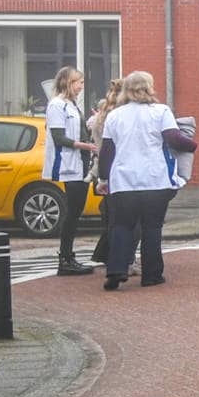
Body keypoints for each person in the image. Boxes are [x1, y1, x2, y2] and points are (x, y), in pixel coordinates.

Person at [96, 71, 196, 292]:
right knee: (152, 227)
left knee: (122, 225)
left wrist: (103, 177)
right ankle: (152, 275)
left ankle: (116, 270)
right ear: (150, 87)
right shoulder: (160, 112)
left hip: (123, 181)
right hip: (155, 180)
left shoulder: (115, 115)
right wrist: (192, 146)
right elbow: (173, 138)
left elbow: (107, 152)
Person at [45, 66, 97, 276]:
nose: (81, 87)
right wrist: (84, 146)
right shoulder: (57, 105)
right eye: (78, 82)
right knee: (73, 212)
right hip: (69, 164)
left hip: (79, 162)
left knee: (76, 211)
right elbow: (58, 137)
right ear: (68, 83)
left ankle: (68, 256)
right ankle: (65, 258)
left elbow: (80, 130)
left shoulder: (72, 104)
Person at [85, 78, 123, 269]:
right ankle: (119, 259)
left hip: (101, 168)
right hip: (115, 171)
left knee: (111, 216)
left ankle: (106, 255)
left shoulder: (101, 116)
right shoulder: (117, 116)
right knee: (122, 219)